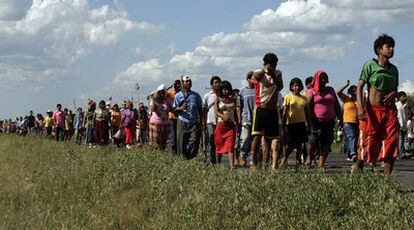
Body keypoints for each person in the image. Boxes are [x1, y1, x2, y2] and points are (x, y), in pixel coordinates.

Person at [352, 34, 399, 174]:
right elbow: (359, 87)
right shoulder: (370, 65)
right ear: (379, 50)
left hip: (389, 111)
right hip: (372, 110)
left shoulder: (394, 69)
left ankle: (386, 181)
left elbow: (395, 89)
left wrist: (394, 93)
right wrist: (360, 108)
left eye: (393, 47)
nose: (391, 49)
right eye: (388, 47)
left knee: (391, 141)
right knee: (368, 141)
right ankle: (358, 165)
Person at [250, 53, 283, 171]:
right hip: (260, 108)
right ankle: (254, 163)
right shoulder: (259, 72)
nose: (273, 66)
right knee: (257, 137)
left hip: (272, 110)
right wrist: (265, 71)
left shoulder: (278, 73)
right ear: (265, 63)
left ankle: (265, 164)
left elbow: (280, 86)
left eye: (274, 64)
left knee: (270, 139)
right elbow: (256, 77)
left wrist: (273, 73)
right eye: (270, 64)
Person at [307, 71, 341, 171]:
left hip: (329, 120)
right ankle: (310, 157)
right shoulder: (311, 91)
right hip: (315, 120)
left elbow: (336, 105)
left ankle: (321, 163)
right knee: (313, 140)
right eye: (321, 78)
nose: (323, 80)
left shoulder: (330, 90)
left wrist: (340, 117)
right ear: (316, 79)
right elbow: (308, 106)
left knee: (326, 142)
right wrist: (308, 120)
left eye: (325, 78)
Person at [279, 78, 310, 170]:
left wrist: (309, 124)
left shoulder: (304, 98)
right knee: (291, 145)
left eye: (298, 85)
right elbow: (285, 112)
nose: (297, 87)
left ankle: (298, 164)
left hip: (301, 123)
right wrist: (283, 125)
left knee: (300, 145)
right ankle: (284, 159)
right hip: (291, 123)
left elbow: (307, 112)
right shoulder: (288, 97)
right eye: (295, 85)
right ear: (291, 87)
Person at [173, 75, 203, 159]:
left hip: (193, 122)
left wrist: (202, 121)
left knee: (194, 140)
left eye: (189, 81)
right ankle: (183, 158)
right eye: (186, 81)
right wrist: (181, 108)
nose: (188, 83)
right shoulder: (178, 96)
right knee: (181, 143)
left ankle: (190, 156)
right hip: (182, 121)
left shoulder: (196, 95)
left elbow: (200, 109)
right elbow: (174, 110)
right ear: (182, 83)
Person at [214, 80, 238, 167]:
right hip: (221, 127)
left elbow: (235, 113)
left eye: (228, 89)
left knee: (230, 146)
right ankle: (218, 164)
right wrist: (222, 116)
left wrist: (238, 124)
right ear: (221, 90)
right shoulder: (217, 99)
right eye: (224, 89)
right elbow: (216, 111)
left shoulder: (233, 100)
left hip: (231, 127)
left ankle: (232, 166)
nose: (226, 91)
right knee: (219, 146)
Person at [337, 80, 359, 161]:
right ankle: (353, 153)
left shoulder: (359, 100)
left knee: (354, 138)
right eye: (353, 91)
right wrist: (346, 85)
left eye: (356, 90)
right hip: (347, 121)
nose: (355, 92)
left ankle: (349, 154)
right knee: (352, 136)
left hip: (357, 122)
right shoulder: (346, 98)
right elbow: (338, 92)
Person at [238, 71, 255, 167]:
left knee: (256, 141)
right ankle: (243, 156)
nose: (252, 80)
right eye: (250, 78)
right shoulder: (242, 91)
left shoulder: (258, 90)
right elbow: (239, 106)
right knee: (244, 139)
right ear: (247, 79)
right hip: (246, 118)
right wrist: (240, 118)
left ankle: (254, 158)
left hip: (257, 118)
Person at [203, 75, 221, 163]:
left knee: (219, 142)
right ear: (212, 85)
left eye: (218, 82)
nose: (217, 84)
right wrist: (204, 123)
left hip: (220, 122)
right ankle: (211, 159)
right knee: (211, 141)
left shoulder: (222, 95)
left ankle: (218, 160)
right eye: (215, 83)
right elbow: (204, 109)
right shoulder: (207, 96)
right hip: (210, 122)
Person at [149, 84, 172, 150]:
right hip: (155, 123)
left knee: (163, 144)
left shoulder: (167, 100)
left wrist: (167, 100)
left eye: (163, 93)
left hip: (166, 123)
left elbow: (171, 109)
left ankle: (161, 156)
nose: (162, 94)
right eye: (160, 93)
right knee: (154, 143)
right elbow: (153, 109)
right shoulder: (154, 101)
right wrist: (153, 99)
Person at [167, 80, 182, 154]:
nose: (178, 86)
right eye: (176, 85)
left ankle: (179, 152)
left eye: (179, 84)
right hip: (172, 117)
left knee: (180, 136)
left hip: (181, 117)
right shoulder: (170, 93)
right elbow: (162, 91)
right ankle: (173, 152)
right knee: (173, 136)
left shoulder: (182, 94)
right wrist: (171, 85)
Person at [396, 91, 410, 157]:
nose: (405, 98)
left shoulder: (404, 106)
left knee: (402, 139)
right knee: (400, 139)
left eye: (405, 96)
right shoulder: (398, 106)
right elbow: (399, 116)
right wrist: (400, 125)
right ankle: (400, 153)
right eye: (403, 96)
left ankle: (402, 152)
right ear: (399, 97)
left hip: (404, 125)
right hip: (399, 125)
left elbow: (405, 116)